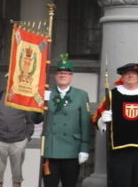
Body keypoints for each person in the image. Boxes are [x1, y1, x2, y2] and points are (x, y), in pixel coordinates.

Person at [40, 55, 92, 187]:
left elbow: (85, 123)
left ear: (71, 76)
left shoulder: (81, 95)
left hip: (71, 148)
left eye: (66, 73)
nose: (63, 75)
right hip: (50, 149)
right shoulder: (46, 93)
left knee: (69, 184)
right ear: (55, 75)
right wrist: (40, 103)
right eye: (60, 73)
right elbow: (36, 119)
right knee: (49, 184)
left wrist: (84, 147)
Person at [0, 76, 40, 187]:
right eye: (9, 79)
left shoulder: (24, 97)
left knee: (17, 176)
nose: (11, 82)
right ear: (6, 81)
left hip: (18, 142)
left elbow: (30, 121)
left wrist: (26, 138)